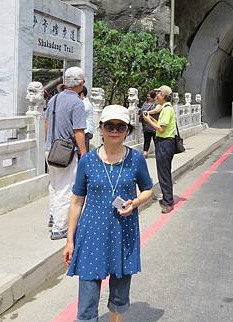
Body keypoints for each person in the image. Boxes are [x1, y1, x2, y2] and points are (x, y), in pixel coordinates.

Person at [64, 105, 154, 322]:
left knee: (120, 287)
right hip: (92, 232)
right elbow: (76, 202)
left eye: (120, 126)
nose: (115, 131)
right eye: (110, 126)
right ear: (101, 128)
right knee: (87, 290)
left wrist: (135, 203)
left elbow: (148, 189)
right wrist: (69, 240)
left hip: (124, 231)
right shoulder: (88, 161)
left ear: (127, 130)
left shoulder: (135, 159)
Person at [44, 66, 87, 240]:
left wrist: (49, 142)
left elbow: (46, 123)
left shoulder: (53, 99)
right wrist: (84, 154)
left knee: (54, 185)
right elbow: (78, 131)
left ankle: (54, 217)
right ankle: (60, 227)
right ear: (81, 83)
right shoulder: (77, 102)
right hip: (65, 152)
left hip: (50, 149)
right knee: (65, 188)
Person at [143, 85, 177, 214]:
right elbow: (159, 125)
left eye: (158, 93)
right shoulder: (164, 108)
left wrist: (147, 120)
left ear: (163, 95)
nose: (156, 95)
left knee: (164, 173)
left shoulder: (167, 110)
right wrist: (150, 118)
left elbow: (161, 129)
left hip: (165, 143)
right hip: (163, 142)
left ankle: (168, 202)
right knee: (163, 172)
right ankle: (167, 198)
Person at [138, 90, 161, 159]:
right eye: (147, 96)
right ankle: (145, 152)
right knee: (146, 139)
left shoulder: (156, 104)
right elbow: (141, 110)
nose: (148, 97)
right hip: (146, 125)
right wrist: (142, 113)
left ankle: (158, 153)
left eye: (149, 96)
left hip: (154, 124)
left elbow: (157, 111)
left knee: (156, 140)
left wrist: (147, 112)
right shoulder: (145, 103)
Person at [79, 86, 94, 152]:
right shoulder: (84, 103)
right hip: (85, 131)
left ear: (82, 94)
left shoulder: (85, 104)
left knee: (84, 152)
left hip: (86, 132)